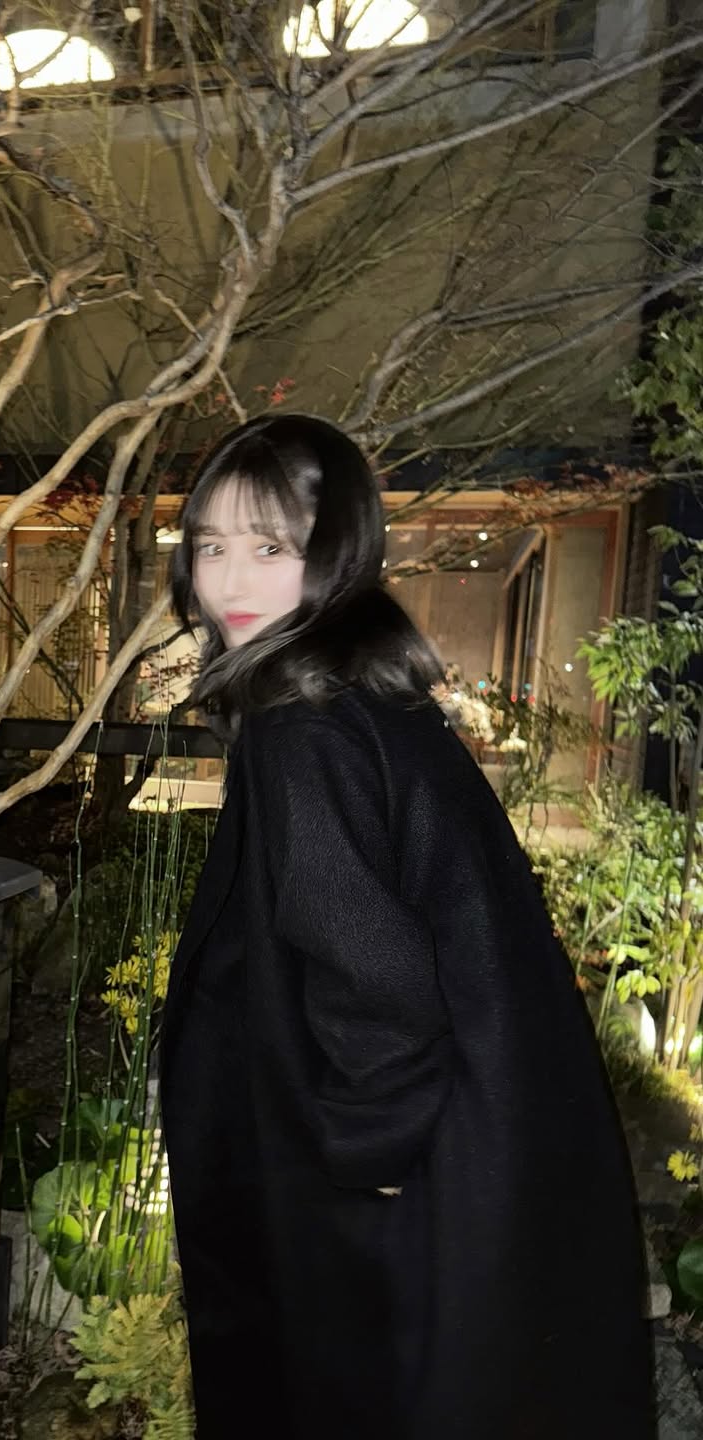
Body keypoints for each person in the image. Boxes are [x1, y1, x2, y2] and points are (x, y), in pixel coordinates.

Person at [160, 414, 654, 1439]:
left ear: (336, 553)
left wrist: (362, 1157)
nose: (231, 580)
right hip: (475, 1138)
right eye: (211, 545)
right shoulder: (371, 696)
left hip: (400, 1173)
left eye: (270, 548)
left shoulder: (302, 728)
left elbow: (371, 966)